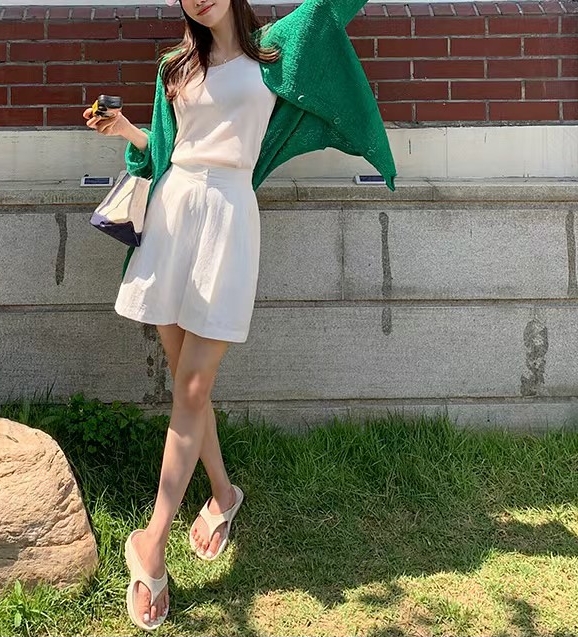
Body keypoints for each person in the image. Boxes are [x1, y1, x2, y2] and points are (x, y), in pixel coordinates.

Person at [83, 0, 397, 629]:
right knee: (189, 391)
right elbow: (163, 154)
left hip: (228, 219)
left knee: (193, 388)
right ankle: (224, 496)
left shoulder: (275, 52)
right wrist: (125, 132)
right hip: (172, 216)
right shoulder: (174, 66)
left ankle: (151, 541)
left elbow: (334, 8)